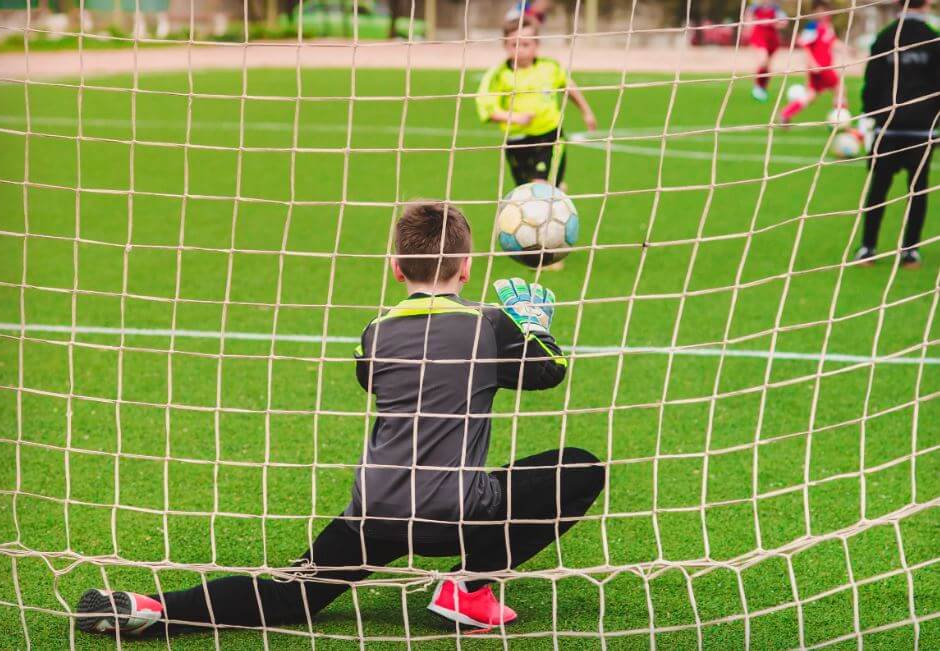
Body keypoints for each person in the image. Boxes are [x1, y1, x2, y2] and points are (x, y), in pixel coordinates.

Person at [74, 202, 605, 636]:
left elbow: (374, 378)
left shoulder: (375, 334)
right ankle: (467, 587)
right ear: (467, 268)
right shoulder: (489, 326)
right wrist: (534, 327)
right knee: (579, 468)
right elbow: (547, 373)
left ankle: (152, 608)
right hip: (454, 512)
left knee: (290, 593)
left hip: (375, 509)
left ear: (396, 268)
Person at [854, 0, 938, 268]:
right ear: (926, 4)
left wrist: (871, 116)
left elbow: (871, 82)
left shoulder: (885, 37)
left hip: (888, 128)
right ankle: (910, 251)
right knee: (917, 190)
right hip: (922, 128)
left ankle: (868, 248)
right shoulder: (933, 39)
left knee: (878, 189)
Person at [476, 17, 597, 190]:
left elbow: (568, 85)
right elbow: (487, 109)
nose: (520, 50)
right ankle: (555, 187)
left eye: (526, 44)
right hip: (516, 141)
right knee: (525, 192)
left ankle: (550, 187)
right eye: (514, 45)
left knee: (539, 188)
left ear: (536, 45)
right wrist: (515, 118)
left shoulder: (549, 68)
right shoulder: (498, 75)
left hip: (548, 137)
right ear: (505, 46)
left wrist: (586, 111)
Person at [779, 0, 849, 124]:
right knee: (840, 88)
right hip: (820, 67)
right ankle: (840, 118)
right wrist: (812, 64)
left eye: (825, 11)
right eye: (819, 11)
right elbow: (804, 46)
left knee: (811, 95)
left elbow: (832, 42)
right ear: (815, 13)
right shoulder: (812, 26)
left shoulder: (828, 27)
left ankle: (786, 113)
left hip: (823, 67)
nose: (822, 13)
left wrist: (847, 49)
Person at [745, 2, 789, 101]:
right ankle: (757, 87)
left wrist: (774, 23)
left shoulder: (776, 7)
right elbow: (747, 18)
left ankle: (763, 88)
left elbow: (784, 22)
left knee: (768, 66)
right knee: (762, 61)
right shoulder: (755, 7)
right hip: (759, 36)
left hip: (772, 39)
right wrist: (749, 28)